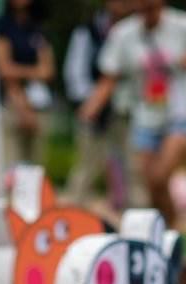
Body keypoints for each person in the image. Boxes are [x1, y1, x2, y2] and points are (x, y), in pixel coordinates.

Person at [80, 0, 186, 225]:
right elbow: (109, 77)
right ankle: (168, 232)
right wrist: (91, 107)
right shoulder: (123, 34)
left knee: (161, 177)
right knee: (151, 186)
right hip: (146, 116)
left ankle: (170, 232)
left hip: (184, 112)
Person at [63, 0, 145, 208]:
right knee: (86, 168)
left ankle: (139, 219)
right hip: (95, 109)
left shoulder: (140, 30)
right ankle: (75, 215)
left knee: (134, 168)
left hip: (129, 109)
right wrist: (90, 102)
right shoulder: (89, 31)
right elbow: (75, 72)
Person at [0, 0, 55, 168]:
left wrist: (18, 70)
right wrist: (23, 105)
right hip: (12, 100)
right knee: (12, 165)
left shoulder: (38, 26)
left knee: (36, 165)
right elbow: (5, 70)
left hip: (39, 101)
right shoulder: (3, 25)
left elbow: (48, 70)